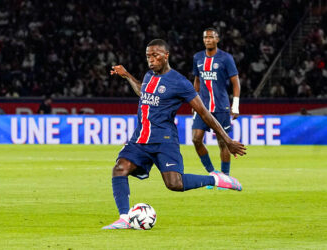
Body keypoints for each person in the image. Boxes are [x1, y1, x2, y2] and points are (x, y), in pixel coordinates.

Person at [103, 39, 246, 230]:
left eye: (155, 55)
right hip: (141, 138)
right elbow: (143, 93)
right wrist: (127, 75)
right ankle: (124, 218)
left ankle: (217, 179)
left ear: (166, 55)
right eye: (148, 56)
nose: (151, 60)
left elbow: (204, 112)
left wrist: (227, 140)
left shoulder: (179, 82)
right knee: (120, 168)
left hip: (164, 140)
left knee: (174, 183)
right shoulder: (148, 76)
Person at [191, 28, 241, 182]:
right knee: (196, 139)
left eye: (211, 37)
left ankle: (225, 177)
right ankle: (213, 173)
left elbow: (235, 82)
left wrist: (236, 105)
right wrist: (193, 100)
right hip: (203, 107)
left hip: (221, 107)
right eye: (205, 37)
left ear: (217, 39)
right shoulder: (197, 57)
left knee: (223, 142)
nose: (207, 40)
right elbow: (197, 80)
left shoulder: (226, 58)